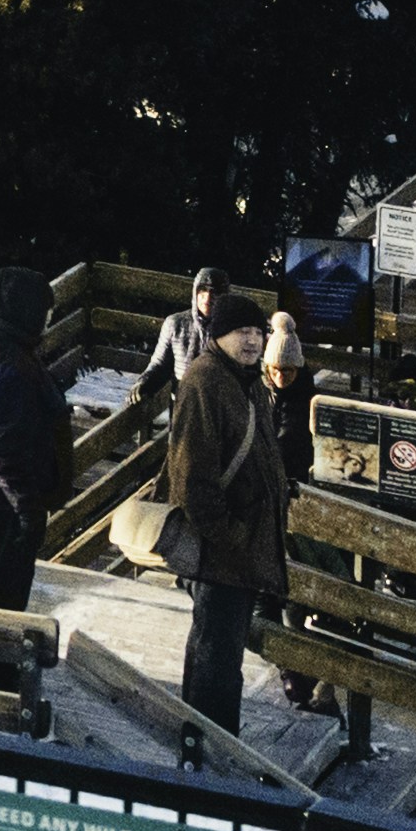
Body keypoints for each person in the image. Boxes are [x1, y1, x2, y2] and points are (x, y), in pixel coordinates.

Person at [167, 286, 301, 734]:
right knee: (215, 658)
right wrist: (233, 535)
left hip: (240, 548)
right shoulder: (206, 382)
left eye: (257, 332)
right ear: (218, 335)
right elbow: (193, 478)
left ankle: (209, 743)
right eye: (240, 332)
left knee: (220, 655)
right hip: (220, 551)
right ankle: (207, 749)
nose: (251, 340)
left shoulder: (245, 382)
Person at [0, 266, 71, 616]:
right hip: (6, 504)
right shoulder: (9, 365)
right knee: (1, 606)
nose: (50, 319)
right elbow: (5, 451)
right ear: (27, 310)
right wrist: (29, 512)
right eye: (46, 311)